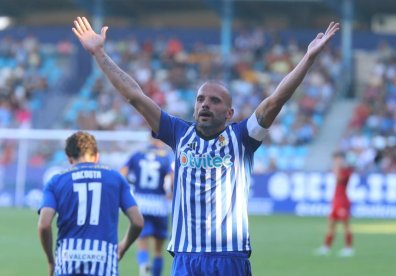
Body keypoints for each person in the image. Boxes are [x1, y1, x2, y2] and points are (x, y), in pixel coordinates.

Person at [72, 16, 340, 275]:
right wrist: (99, 53)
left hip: (229, 256)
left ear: (229, 113)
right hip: (186, 256)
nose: (205, 105)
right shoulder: (178, 132)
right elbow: (134, 96)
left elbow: (274, 101)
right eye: (201, 99)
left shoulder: (243, 138)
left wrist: (308, 58)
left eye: (214, 101)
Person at [38, 131, 144, 276]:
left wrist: (51, 260)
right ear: (96, 156)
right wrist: (123, 247)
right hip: (104, 260)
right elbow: (138, 222)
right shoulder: (116, 178)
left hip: (67, 259)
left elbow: (44, 225)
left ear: (69, 158)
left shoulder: (56, 181)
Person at [120, 138, 174, 276]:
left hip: (141, 205)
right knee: (158, 250)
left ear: (150, 138)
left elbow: (122, 173)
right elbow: (172, 178)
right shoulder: (166, 156)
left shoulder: (138, 154)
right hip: (160, 206)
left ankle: (144, 270)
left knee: (142, 244)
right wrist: (170, 192)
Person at [316, 151, 354, 257]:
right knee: (331, 225)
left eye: (337, 159)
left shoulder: (346, 171)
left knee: (346, 225)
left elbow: (339, 180)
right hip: (336, 201)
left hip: (343, 201)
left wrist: (336, 169)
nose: (336, 161)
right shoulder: (339, 170)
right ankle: (326, 247)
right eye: (335, 159)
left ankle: (348, 248)